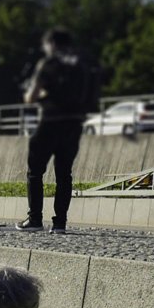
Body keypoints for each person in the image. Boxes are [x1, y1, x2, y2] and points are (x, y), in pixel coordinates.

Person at [18, 29, 91, 235]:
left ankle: (35, 220)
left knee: (35, 172)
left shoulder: (48, 64)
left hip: (50, 122)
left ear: (51, 43)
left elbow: (31, 97)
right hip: (74, 125)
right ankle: (60, 224)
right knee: (64, 174)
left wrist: (38, 95)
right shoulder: (81, 66)